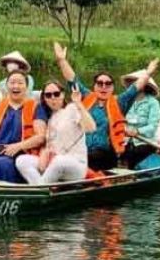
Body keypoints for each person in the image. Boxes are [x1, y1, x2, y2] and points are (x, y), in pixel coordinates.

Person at [52, 42, 129, 171]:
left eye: (108, 84)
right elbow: (72, 80)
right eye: (100, 83)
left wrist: (148, 73)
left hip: (105, 153)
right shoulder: (86, 96)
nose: (103, 87)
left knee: (89, 157)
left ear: (112, 88)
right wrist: (62, 61)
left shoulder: (120, 102)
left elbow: (134, 89)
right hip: (82, 149)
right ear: (94, 86)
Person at [0, 70, 43, 182]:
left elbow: (40, 137)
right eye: (12, 82)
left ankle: (3, 197)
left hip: (22, 150)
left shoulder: (35, 107)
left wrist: (18, 146)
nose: (16, 86)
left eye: (20, 83)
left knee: (2, 164)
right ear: (7, 86)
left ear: (26, 86)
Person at [17, 82, 92, 184]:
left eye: (56, 94)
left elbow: (90, 127)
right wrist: (45, 153)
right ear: (45, 98)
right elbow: (50, 146)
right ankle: (39, 187)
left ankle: (39, 190)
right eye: (48, 95)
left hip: (76, 164)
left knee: (59, 161)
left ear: (63, 94)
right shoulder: (50, 118)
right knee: (22, 160)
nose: (53, 97)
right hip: (53, 164)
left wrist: (79, 104)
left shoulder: (72, 109)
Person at [118, 61, 160, 167]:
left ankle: (129, 173)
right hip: (125, 140)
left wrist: (137, 131)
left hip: (145, 142)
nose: (133, 85)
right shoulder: (125, 101)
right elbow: (118, 119)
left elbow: (153, 127)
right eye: (132, 83)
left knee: (133, 154)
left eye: (137, 82)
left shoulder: (153, 103)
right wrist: (124, 129)